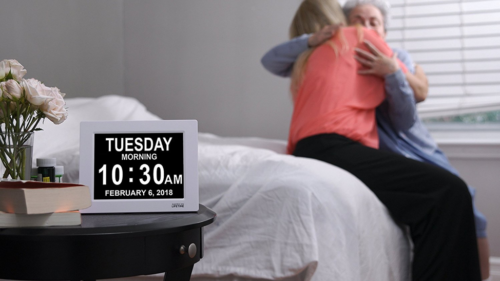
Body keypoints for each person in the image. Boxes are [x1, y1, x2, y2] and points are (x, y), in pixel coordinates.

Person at [261, 0, 490, 279]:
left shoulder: (312, 56)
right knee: (449, 192)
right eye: (359, 19)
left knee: (450, 194)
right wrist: (394, 71)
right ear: (343, 22)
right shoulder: (354, 41)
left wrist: (393, 70)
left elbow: (270, 60)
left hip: (316, 146)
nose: (366, 26)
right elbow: (417, 92)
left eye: (373, 21)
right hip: (338, 145)